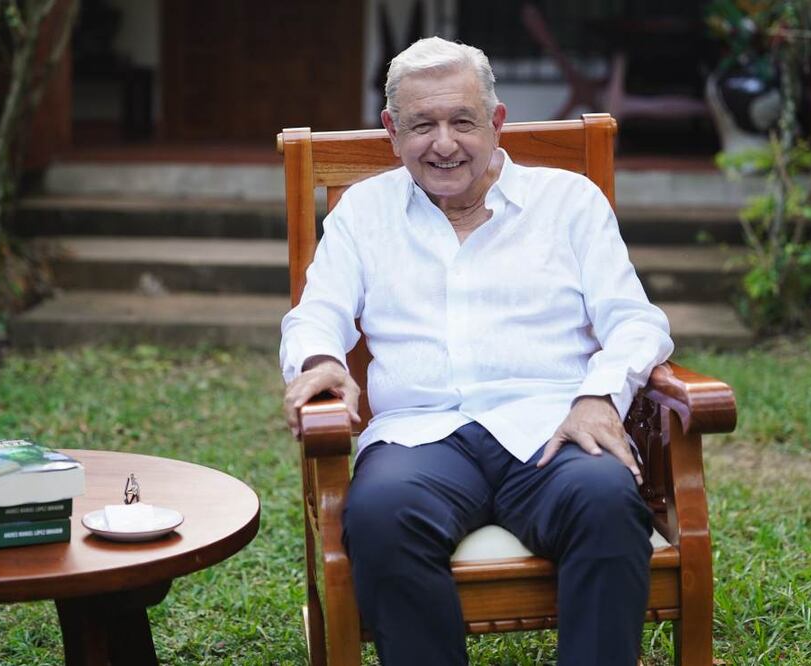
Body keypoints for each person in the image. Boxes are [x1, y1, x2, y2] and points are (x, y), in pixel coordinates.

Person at [280, 36, 673, 666]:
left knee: (606, 501)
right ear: (390, 130)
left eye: (462, 121)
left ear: (496, 121)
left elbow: (635, 320)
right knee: (381, 514)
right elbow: (317, 312)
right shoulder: (363, 214)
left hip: (551, 427)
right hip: (420, 438)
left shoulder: (568, 203)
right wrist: (322, 360)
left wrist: (600, 396)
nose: (443, 143)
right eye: (421, 125)